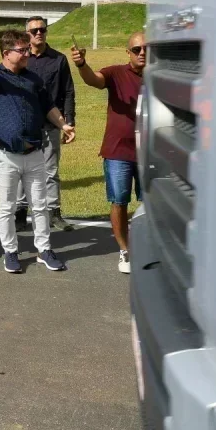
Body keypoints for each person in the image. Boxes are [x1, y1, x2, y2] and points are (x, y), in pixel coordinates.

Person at [0, 28, 74, 274]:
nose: (27, 53)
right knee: (7, 207)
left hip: (35, 153)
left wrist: (63, 124)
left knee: (40, 205)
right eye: (22, 50)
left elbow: (49, 107)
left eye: (27, 49)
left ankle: (44, 250)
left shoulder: (34, 79)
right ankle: (10, 252)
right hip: (5, 156)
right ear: (6, 53)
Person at [71, 31, 145, 274]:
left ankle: (148, 246)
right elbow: (93, 79)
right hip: (118, 152)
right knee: (119, 202)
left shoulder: (160, 77)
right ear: (128, 52)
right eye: (137, 49)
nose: (142, 53)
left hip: (151, 153)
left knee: (152, 204)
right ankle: (124, 250)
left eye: (147, 49)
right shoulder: (116, 73)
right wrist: (82, 64)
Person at [15, 16, 76, 233]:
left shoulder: (58, 59)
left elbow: (68, 90)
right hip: (26, 124)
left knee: (51, 170)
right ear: (27, 34)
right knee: (22, 169)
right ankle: (20, 212)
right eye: (34, 31)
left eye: (42, 29)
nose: (39, 33)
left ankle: (54, 212)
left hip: (51, 123)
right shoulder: (21, 59)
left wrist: (69, 121)